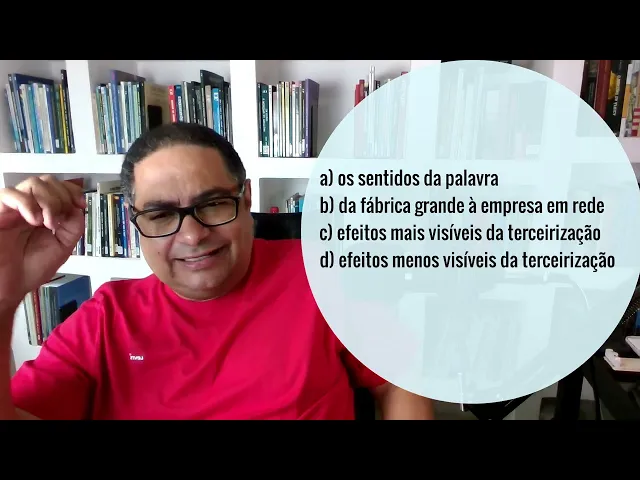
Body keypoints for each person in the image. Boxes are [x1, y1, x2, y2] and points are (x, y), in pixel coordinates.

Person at [0, 123, 435, 420]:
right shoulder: (105, 320)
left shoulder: (323, 277)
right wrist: (3, 298)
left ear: (245, 200)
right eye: (161, 214)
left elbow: (396, 382)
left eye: (212, 204)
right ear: (135, 222)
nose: (192, 235)